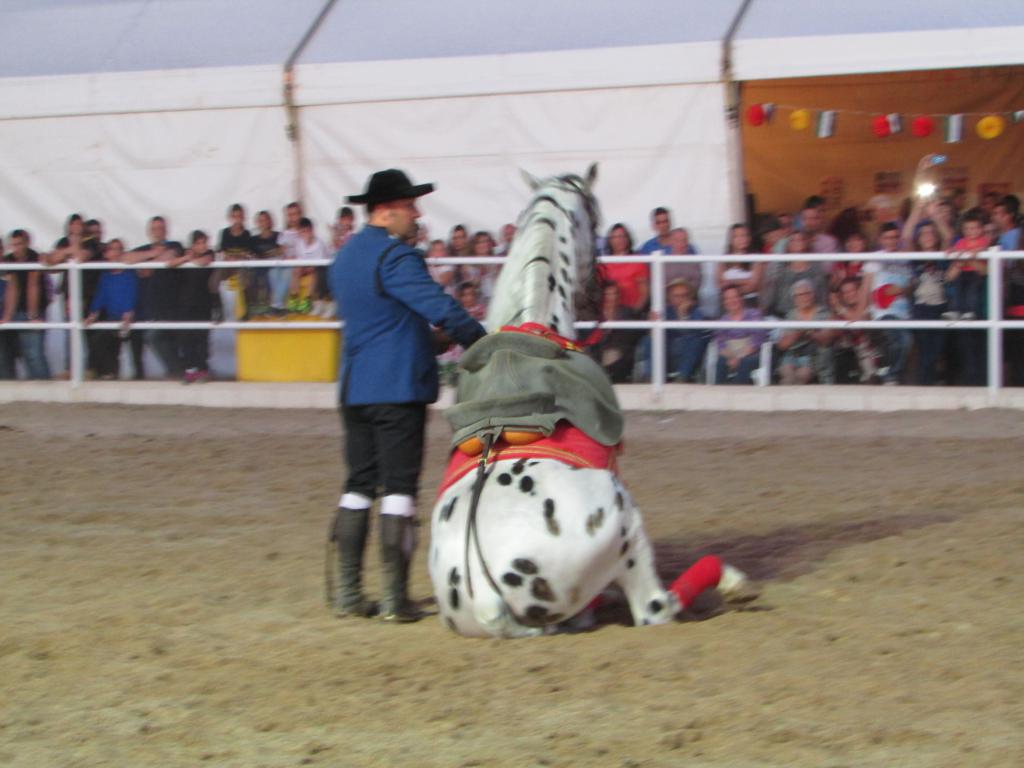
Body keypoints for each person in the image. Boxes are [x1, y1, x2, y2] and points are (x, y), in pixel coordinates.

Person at [327, 168, 486, 623]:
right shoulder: (396, 256)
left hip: (355, 387)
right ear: (385, 211)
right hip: (396, 388)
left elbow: (383, 322)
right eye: (410, 207)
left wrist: (426, 340)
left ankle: (349, 594)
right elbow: (440, 308)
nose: (416, 215)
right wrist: (482, 341)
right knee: (399, 490)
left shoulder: (345, 257)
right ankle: (396, 601)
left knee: (358, 486)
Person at [861, 222, 913, 384]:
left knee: (904, 344)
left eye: (895, 237)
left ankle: (889, 374)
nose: (891, 241)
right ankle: (890, 375)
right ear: (880, 239)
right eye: (887, 238)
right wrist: (861, 313)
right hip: (883, 312)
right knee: (904, 341)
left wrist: (902, 290)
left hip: (905, 313)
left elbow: (911, 287)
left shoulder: (906, 258)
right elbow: (865, 289)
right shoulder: (874, 259)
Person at [84, 239, 137, 380]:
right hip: (112, 316)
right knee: (100, 340)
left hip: (128, 317)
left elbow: (132, 293)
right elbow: (100, 296)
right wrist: (93, 314)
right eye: (112, 249)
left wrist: (128, 312)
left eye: (118, 249)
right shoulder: (105, 276)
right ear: (106, 254)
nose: (115, 252)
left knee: (110, 341)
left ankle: (113, 373)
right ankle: (108, 373)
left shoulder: (129, 273)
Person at [2, 230, 51, 379]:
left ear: (27, 243)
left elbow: (33, 285)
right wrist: (7, 317)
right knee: (23, 352)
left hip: (34, 310)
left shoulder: (35, 257)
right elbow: (12, 288)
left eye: (19, 244)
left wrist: (33, 315)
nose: (16, 248)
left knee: (34, 353)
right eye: (13, 245)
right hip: (16, 311)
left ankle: (44, 386)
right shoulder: (9, 260)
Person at [175, 231, 216, 383]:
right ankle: (190, 370)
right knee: (186, 337)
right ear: (192, 245)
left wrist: (189, 260)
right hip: (185, 302)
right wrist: (185, 258)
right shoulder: (184, 255)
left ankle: (203, 370)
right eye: (199, 243)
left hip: (203, 302)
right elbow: (169, 263)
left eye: (204, 242)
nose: (203, 246)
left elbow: (204, 261)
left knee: (202, 337)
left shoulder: (210, 254)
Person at [776, 279, 834, 385]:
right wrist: (798, 333)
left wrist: (810, 333)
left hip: (813, 356)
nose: (804, 298)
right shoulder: (790, 315)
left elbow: (826, 341)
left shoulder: (823, 313)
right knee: (787, 376)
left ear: (813, 295)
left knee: (802, 375)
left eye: (807, 293)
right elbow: (782, 345)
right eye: (799, 295)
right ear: (794, 298)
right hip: (791, 356)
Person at [713, 284, 766, 384]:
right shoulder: (723, 320)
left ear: (741, 298)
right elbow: (720, 343)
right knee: (721, 361)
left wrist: (739, 358)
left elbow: (757, 340)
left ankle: (738, 391)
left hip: (751, 353)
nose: (731, 301)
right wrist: (731, 357)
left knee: (745, 363)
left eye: (735, 297)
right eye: (727, 298)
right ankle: (718, 391)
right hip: (731, 354)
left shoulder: (754, 314)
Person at [602, 223, 649, 313]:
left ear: (628, 238)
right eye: (615, 237)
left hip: (632, 312)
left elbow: (644, 293)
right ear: (610, 240)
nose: (619, 240)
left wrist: (633, 313)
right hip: (609, 313)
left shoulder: (638, 261)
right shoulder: (604, 263)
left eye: (622, 236)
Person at [217, 203, 253, 320]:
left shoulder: (247, 234)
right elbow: (222, 252)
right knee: (215, 279)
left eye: (239, 216)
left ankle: (245, 310)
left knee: (244, 277)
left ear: (243, 218)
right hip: (227, 267)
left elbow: (247, 254)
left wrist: (236, 257)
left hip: (241, 267)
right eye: (235, 216)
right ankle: (218, 308)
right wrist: (231, 257)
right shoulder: (224, 233)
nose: (237, 220)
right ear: (230, 218)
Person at [717, 223, 763, 308]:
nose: (742, 239)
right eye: (737, 236)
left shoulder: (756, 258)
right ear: (731, 239)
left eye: (744, 235)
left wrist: (730, 282)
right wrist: (745, 281)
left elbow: (753, 285)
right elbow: (720, 283)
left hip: (750, 301)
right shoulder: (723, 259)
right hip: (728, 303)